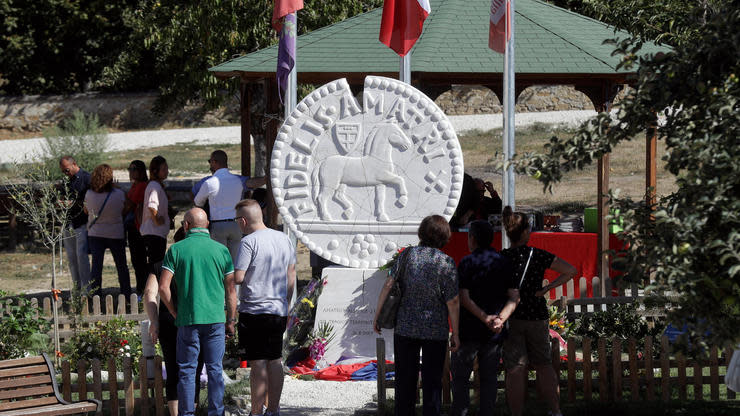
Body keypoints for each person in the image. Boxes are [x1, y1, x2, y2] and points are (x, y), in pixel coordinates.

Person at [373, 215, 460, 416]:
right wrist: (455, 332)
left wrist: (378, 315)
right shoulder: (446, 262)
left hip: (405, 327)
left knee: (405, 381)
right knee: (432, 382)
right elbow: (453, 301)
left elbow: (388, 285)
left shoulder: (407, 255)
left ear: (422, 232)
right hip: (435, 329)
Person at [159, 207, 237, 416]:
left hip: (188, 318)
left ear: (186, 225)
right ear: (208, 225)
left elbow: (163, 287)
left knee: (186, 371)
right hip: (215, 319)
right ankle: (216, 412)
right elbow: (231, 290)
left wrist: (174, 312)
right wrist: (231, 319)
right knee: (214, 370)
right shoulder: (221, 251)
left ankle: (186, 414)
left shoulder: (176, 250)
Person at [501, 206, 577, 416]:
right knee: (544, 365)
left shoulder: (502, 257)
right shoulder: (538, 255)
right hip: (537, 315)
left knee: (515, 369)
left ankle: (516, 413)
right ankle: (555, 410)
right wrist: (548, 288)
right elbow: (571, 271)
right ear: (526, 232)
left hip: (512, 315)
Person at [233, 199, 296, 416]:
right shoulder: (284, 239)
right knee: (275, 359)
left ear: (242, 221)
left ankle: (256, 410)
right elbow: (291, 274)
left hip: (254, 310)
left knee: (258, 362)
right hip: (278, 308)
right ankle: (274, 409)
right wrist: (285, 302)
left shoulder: (248, 242)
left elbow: (239, 277)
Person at [450, 220, 519, 416]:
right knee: (489, 379)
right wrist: (500, 319)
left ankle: (460, 413)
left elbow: (463, 297)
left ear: (472, 238)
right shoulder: (504, 262)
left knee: (461, 378)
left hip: (470, 329)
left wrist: (484, 318)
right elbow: (515, 296)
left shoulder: (466, 262)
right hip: (494, 332)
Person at [143, 228, 204, 416]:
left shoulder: (160, 265)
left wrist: (154, 321)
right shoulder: (199, 263)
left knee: (173, 370)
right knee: (193, 370)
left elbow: (149, 293)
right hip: (196, 319)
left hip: (168, 321)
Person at [193, 150, 266, 261]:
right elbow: (252, 183)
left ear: (215, 162)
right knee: (235, 260)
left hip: (218, 225)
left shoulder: (209, 182)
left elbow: (198, 202)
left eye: (210, 162)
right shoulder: (238, 180)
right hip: (236, 224)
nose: (210, 165)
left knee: (219, 260)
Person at [84, 164, 131, 297]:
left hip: (96, 233)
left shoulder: (89, 194)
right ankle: (126, 294)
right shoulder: (119, 194)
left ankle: (96, 295)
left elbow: (86, 211)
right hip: (115, 232)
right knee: (121, 266)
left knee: (96, 267)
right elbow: (127, 206)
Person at [59, 156, 92, 291]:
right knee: (71, 258)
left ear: (74, 165)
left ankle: (87, 289)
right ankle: (77, 287)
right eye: (63, 171)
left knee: (81, 257)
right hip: (68, 222)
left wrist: (72, 203)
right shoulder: (66, 181)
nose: (65, 174)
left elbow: (90, 199)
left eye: (67, 170)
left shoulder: (86, 178)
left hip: (81, 222)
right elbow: (62, 196)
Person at [140, 156, 170, 274]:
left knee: (155, 263)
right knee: (156, 265)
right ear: (155, 171)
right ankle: (152, 290)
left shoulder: (157, 186)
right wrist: (157, 220)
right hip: (154, 232)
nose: (166, 171)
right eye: (163, 169)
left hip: (156, 233)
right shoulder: (154, 187)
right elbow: (152, 206)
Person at [124, 160, 149, 295]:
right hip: (134, 226)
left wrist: (120, 192)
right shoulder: (136, 185)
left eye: (133, 169)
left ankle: (142, 290)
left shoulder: (141, 186)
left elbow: (130, 205)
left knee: (139, 261)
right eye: (129, 169)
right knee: (137, 261)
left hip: (137, 228)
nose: (130, 171)